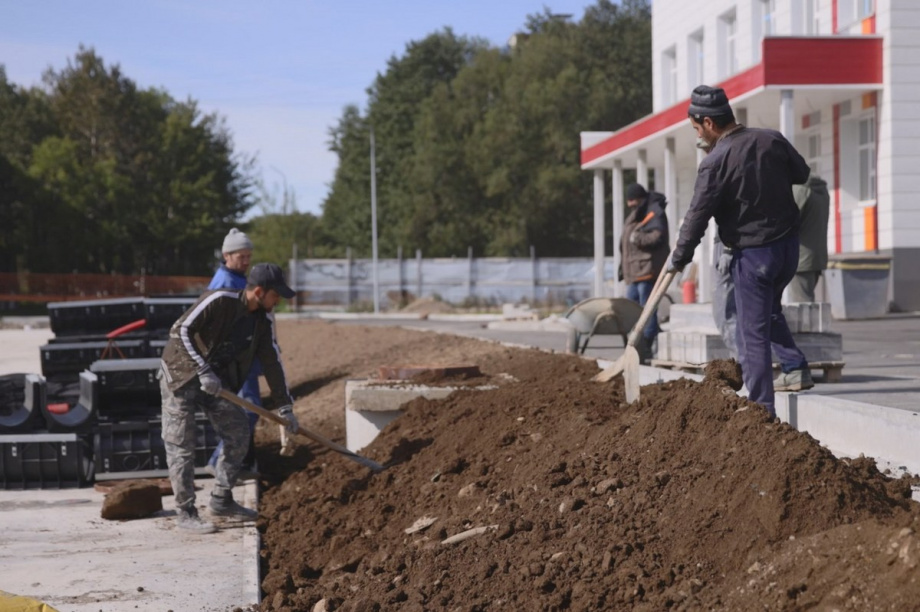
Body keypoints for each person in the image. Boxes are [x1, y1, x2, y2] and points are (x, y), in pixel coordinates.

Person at [668, 85, 813, 417]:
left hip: (754, 257)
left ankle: (761, 409)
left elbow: (696, 217)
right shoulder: (771, 139)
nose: (698, 136)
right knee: (769, 311)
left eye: (696, 129)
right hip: (788, 250)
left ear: (707, 122)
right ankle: (794, 365)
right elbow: (802, 173)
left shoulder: (715, 163)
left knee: (753, 334)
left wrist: (679, 258)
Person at [159, 263, 300, 533]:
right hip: (180, 374)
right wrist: (202, 369)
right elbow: (180, 330)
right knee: (181, 444)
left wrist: (285, 406)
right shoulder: (219, 300)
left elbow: (271, 362)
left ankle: (222, 499)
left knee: (238, 431)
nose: (278, 301)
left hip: (214, 382)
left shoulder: (261, 322)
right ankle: (186, 512)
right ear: (259, 291)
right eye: (275, 295)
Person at [206, 228, 260, 476]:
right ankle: (221, 462)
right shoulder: (225, 283)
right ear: (227, 255)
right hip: (234, 357)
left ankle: (234, 463)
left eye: (249, 256)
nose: (247, 261)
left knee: (246, 411)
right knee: (248, 410)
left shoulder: (237, 278)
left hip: (243, 356)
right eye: (242, 256)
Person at [620, 182, 670, 363]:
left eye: (633, 201)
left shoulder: (654, 211)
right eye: (628, 201)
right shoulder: (638, 214)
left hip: (647, 271)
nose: (630, 205)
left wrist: (638, 238)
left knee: (647, 311)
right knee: (631, 310)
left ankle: (647, 348)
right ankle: (636, 346)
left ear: (640, 199)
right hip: (635, 272)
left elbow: (658, 236)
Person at [787, 174, 831, 302]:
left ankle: (809, 323)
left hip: (801, 257)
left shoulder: (800, 190)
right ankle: (813, 322)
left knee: (801, 303)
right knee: (807, 299)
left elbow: (787, 221)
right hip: (817, 256)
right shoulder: (821, 190)